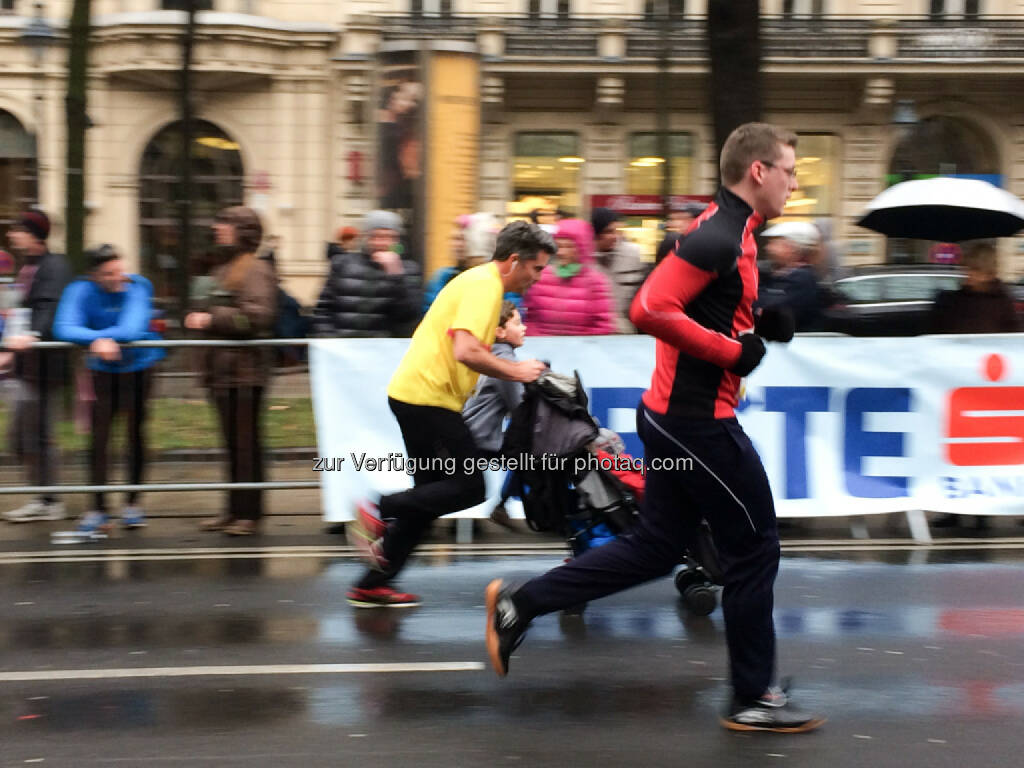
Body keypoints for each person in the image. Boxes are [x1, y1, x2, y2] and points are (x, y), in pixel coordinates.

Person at [485, 122, 825, 734]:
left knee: (657, 547)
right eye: (790, 171)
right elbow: (647, 307)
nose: (794, 183)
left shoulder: (729, 232)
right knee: (754, 548)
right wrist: (731, 352)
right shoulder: (720, 234)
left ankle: (520, 602)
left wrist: (757, 322)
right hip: (698, 424)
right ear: (758, 172)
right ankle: (753, 697)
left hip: (674, 417)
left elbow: (699, 306)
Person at [345, 221, 554, 608]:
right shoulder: (485, 286)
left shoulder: (480, 282)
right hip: (427, 398)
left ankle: (373, 583)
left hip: (421, 395)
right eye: (537, 268)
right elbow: (466, 351)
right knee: (470, 487)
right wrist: (517, 371)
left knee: (427, 499)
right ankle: (376, 508)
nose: (538, 278)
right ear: (513, 261)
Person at [52, 244, 166, 536]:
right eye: (109, 274)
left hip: (140, 368)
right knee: (99, 438)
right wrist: (97, 342)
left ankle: (133, 504)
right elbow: (63, 326)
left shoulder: (138, 285)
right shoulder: (80, 290)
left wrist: (96, 338)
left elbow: (133, 328)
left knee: (135, 433)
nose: (119, 277)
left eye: (120, 269)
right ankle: (98, 509)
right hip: (103, 372)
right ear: (94, 276)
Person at [185, 206, 278, 536]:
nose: (217, 228)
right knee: (232, 446)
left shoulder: (255, 269)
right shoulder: (226, 267)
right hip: (225, 372)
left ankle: (249, 514)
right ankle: (233, 510)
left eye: (225, 224)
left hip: (245, 373)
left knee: (246, 445)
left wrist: (212, 319)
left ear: (244, 231)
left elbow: (258, 316)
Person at [929, 241, 1020, 530]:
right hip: (954, 386)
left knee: (981, 451)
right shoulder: (956, 299)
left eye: (976, 271)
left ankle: (981, 513)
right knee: (951, 448)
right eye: (967, 270)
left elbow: (1012, 343)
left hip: (985, 391)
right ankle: (953, 509)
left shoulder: (1003, 301)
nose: (969, 276)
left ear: (989, 272)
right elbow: (939, 331)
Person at [2, 210, 72, 524]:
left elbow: (50, 307)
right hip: (26, 363)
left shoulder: (54, 266)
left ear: (33, 234)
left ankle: (48, 500)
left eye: (18, 229)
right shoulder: (29, 266)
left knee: (33, 434)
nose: (11, 234)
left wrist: (32, 336)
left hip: (43, 363)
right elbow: (22, 310)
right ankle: (44, 497)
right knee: (29, 435)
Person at [462, 300, 529, 528]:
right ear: (500, 332)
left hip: (473, 433)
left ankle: (501, 506)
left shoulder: (490, 354)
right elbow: (519, 407)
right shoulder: (505, 360)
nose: (524, 328)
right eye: (518, 323)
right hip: (478, 438)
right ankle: (501, 506)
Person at [312, 210, 422, 338]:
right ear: (366, 238)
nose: (381, 243)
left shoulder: (409, 269)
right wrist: (329, 340)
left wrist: (395, 275)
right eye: (376, 236)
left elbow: (409, 316)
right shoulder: (342, 264)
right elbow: (323, 310)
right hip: (342, 350)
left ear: (397, 240)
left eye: (388, 237)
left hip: (384, 351)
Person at [521, 219, 617, 336]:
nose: (561, 252)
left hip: (580, 351)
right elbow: (529, 318)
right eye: (559, 246)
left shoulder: (596, 282)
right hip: (543, 350)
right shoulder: (541, 277)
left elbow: (604, 325)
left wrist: (577, 345)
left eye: (568, 246)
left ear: (581, 248)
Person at [757, 220, 825, 332]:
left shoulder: (802, 278)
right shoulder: (778, 275)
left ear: (792, 248)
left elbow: (770, 312)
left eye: (774, 243)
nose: (768, 248)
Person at [591, 207, 648, 333]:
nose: (614, 236)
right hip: (595, 334)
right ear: (596, 235)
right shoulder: (585, 259)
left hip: (627, 333)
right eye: (608, 232)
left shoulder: (634, 254)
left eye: (616, 231)